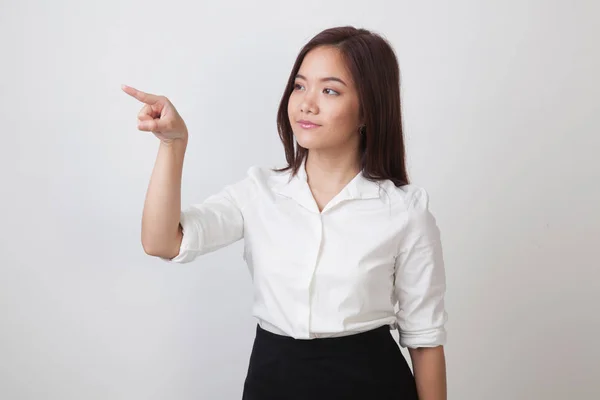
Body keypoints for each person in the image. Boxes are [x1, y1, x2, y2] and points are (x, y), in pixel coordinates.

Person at [122, 25, 447, 400]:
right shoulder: (258, 192)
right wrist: (173, 144)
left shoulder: (405, 211)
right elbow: (162, 242)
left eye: (330, 90)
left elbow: (425, 340)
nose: (307, 103)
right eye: (299, 86)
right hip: (273, 382)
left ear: (367, 110)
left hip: (372, 383)